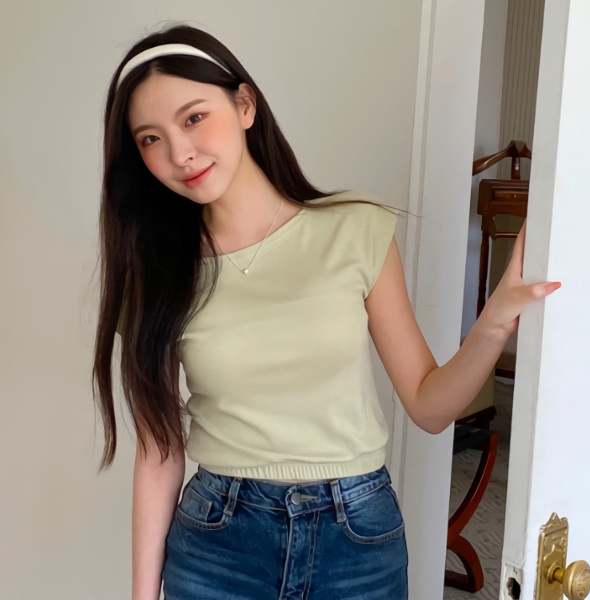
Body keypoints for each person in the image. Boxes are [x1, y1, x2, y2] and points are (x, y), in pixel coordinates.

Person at [92, 23, 560, 600]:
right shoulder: (158, 271)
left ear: (244, 105)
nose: (179, 153)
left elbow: (429, 405)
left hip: (356, 539)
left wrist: (495, 320)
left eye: (193, 118)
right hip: (218, 544)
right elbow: (159, 448)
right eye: (150, 139)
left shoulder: (355, 227)